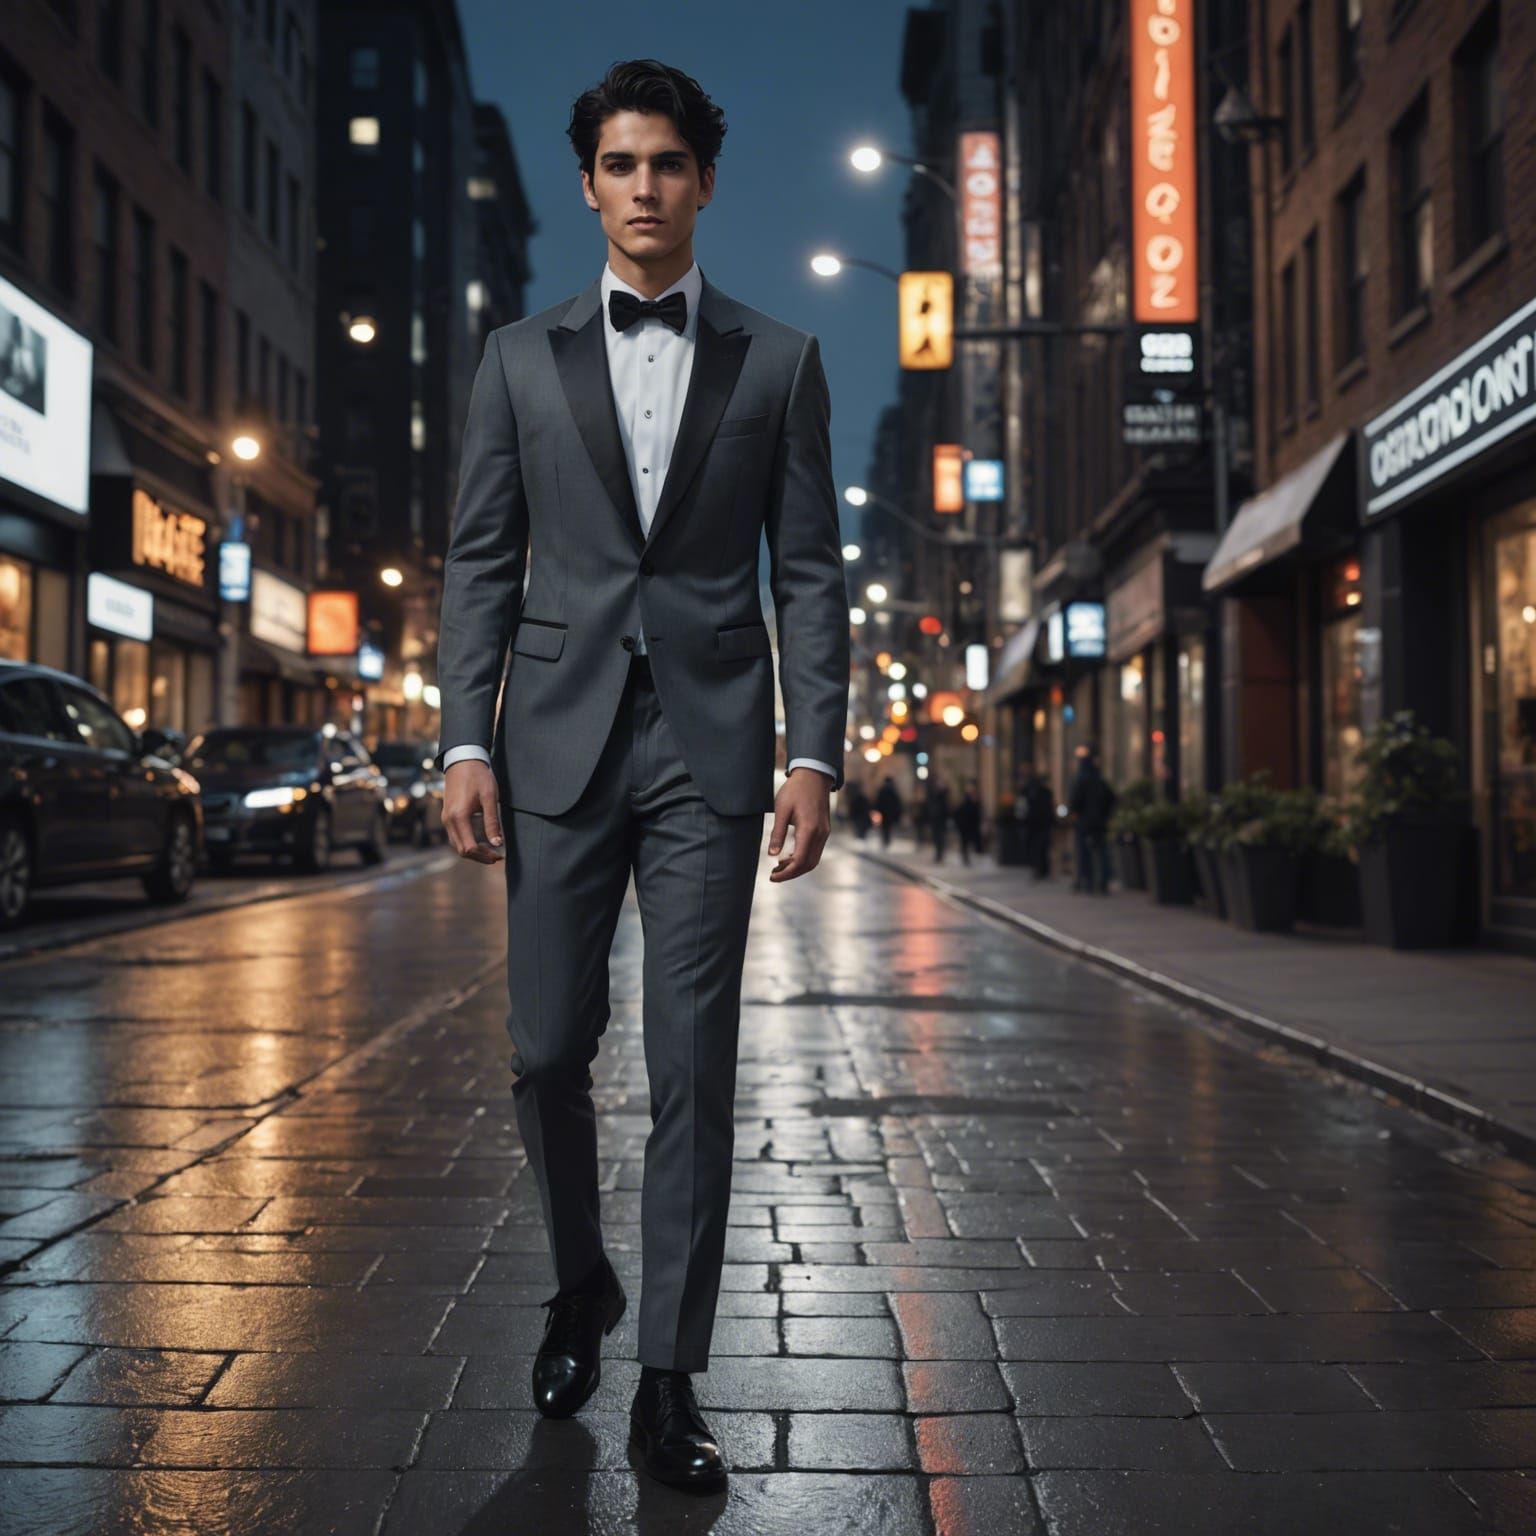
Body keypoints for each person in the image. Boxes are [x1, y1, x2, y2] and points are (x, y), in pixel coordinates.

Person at [433, 61, 849, 1493]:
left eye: (669, 163)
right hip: (553, 736)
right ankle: (581, 1281)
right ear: (590, 182)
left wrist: (813, 750)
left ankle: (670, 1378)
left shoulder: (782, 361)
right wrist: (465, 737)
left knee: (693, 1068)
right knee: (546, 1046)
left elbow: (808, 572)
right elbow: (482, 559)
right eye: (621, 164)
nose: (646, 187)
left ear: (705, 181)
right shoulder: (515, 359)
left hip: (713, 748)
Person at [1067, 745, 1116, 893]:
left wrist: (1075, 814)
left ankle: (1086, 880)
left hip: (1084, 822)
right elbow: (1112, 799)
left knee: (1084, 852)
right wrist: (1106, 815)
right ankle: (1103, 880)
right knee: (1101, 851)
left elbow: (1075, 801)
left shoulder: (1082, 780)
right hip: (1100, 822)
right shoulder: (1099, 780)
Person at [1019, 765, 1054, 880]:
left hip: (1032, 823)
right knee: (1042, 847)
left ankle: (1039, 868)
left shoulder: (1026, 791)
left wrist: (1021, 819)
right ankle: (1042, 869)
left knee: (1036, 846)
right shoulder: (1045, 792)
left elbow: (1021, 808)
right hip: (1041, 823)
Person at [954, 779, 983, 865]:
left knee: (972, 841)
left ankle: (971, 856)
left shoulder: (976, 798)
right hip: (964, 824)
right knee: (965, 842)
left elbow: (978, 811)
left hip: (972, 824)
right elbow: (959, 810)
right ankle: (965, 857)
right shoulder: (964, 798)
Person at [925, 774, 952, 863]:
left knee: (941, 837)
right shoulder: (933, 794)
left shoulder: (944, 795)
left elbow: (947, 808)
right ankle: (938, 853)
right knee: (936, 837)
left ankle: (940, 854)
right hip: (935, 820)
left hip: (941, 820)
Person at [874, 775, 904, 849]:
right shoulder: (893, 791)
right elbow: (897, 803)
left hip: (884, 813)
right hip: (889, 814)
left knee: (884, 828)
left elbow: (878, 802)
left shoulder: (883, 791)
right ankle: (886, 841)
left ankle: (885, 841)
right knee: (887, 828)